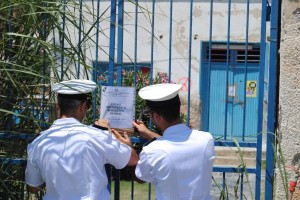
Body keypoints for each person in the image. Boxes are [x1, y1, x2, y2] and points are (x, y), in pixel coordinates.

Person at [25, 79, 138, 200]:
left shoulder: (39, 141)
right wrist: (126, 144)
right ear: (83, 106)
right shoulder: (97, 136)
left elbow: (33, 187)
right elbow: (132, 160)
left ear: (58, 105)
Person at [132, 83, 215, 200]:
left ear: (156, 116)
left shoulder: (152, 151)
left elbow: (140, 177)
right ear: (178, 109)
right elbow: (175, 143)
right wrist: (149, 134)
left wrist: (129, 149)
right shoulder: (206, 140)